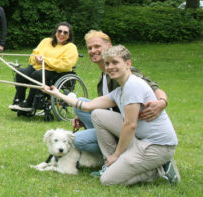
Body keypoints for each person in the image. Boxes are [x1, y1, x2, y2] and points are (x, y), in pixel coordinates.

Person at [46, 44, 180, 186]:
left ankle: (158, 170)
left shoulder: (133, 86)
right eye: (108, 63)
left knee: (107, 180)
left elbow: (130, 125)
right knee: (97, 114)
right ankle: (110, 163)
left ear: (128, 64)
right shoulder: (120, 90)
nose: (110, 67)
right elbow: (88, 106)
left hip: (157, 145)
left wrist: (117, 155)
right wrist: (57, 94)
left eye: (115, 62)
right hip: (140, 139)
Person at [73, 30, 169, 158]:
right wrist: (82, 117)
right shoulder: (103, 77)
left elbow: (153, 87)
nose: (93, 51)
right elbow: (105, 105)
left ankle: (117, 152)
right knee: (80, 105)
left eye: (97, 46)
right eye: (90, 48)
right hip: (112, 120)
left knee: (77, 140)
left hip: (128, 124)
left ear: (109, 46)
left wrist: (162, 101)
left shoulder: (124, 72)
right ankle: (103, 139)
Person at [10, 22, 78, 114]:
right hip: (37, 67)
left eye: (65, 32)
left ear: (69, 35)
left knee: (37, 75)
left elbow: (66, 64)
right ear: (55, 32)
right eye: (59, 31)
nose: (62, 34)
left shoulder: (71, 47)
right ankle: (19, 100)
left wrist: (45, 60)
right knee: (21, 72)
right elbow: (33, 55)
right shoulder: (46, 41)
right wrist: (36, 58)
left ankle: (29, 103)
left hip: (54, 71)